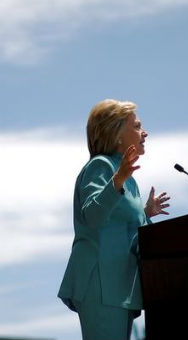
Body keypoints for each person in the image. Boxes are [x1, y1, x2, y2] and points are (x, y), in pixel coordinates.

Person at [58, 99, 171, 340]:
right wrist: (117, 180)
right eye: (137, 126)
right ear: (117, 133)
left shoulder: (127, 176)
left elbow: (122, 226)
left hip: (119, 284)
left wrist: (145, 214)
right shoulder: (101, 166)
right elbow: (93, 214)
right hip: (100, 282)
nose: (145, 132)